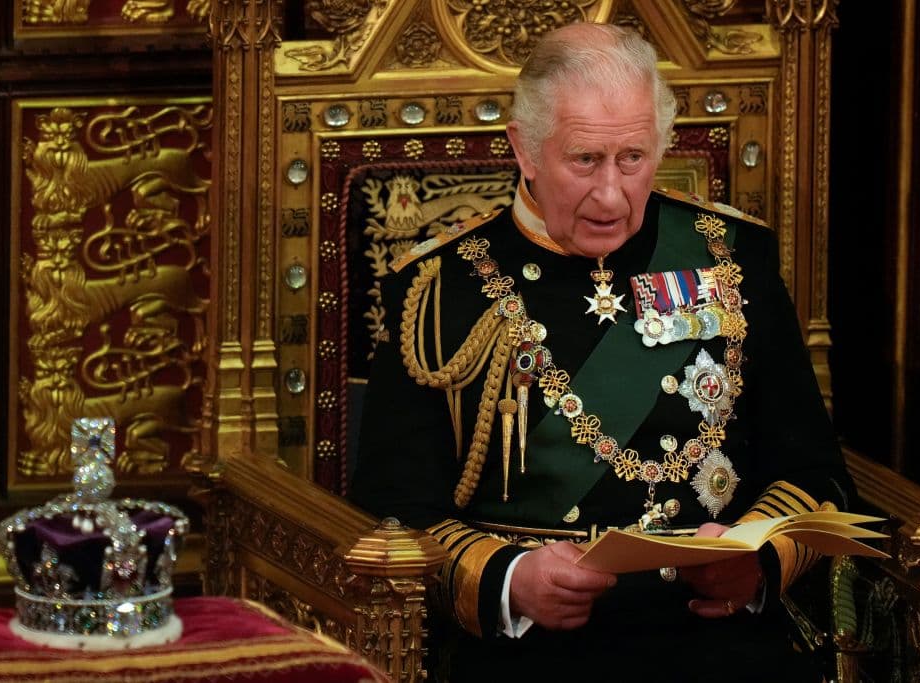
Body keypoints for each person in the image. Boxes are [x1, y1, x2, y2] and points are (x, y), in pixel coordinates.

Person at [351, 21, 854, 683]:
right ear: (524, 149)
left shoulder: (730, 258)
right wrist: (506, 577)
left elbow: (817, 474)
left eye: (634, 158)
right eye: (585, 160)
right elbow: (391, 513)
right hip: (527, 653)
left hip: (716, 639)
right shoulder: (438, 290)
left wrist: (756, 558)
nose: (612, 194)